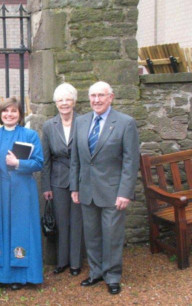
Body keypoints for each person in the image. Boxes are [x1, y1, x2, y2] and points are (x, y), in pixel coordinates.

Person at [70, 81, 139, 295]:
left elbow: (130, 161)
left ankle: (112, 276)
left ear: (111, 97)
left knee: (111, 235)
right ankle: (96, 272)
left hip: (113, 191)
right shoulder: (80, 121)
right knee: (91, 235)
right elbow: (76, 159)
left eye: (101, 95)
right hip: (86, 190)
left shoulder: (125, 123)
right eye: (93, 95)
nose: (96, 100)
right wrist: (75, 187)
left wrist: (125, 192)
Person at [0, 97, 44, 289]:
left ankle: (20, 275)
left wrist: (18, 164)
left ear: (20, 115)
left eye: (13, 111)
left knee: (21, 231)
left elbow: (39, 163)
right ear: (0, 114)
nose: (9, 115)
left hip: (21, 193)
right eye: (5, 111)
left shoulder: (30, 135)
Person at [41, 83, 83, 276]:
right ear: (56, 103)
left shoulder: (84, 122)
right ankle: (62, 261)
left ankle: (75, 263)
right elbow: (46, 159)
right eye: (60, 100)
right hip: (57, 180)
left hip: (81, 179)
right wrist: (46, 186)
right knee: (62, 221)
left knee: (77, 221)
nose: (64, 103)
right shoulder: (49, 126)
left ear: (74, 101)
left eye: (68, 99)